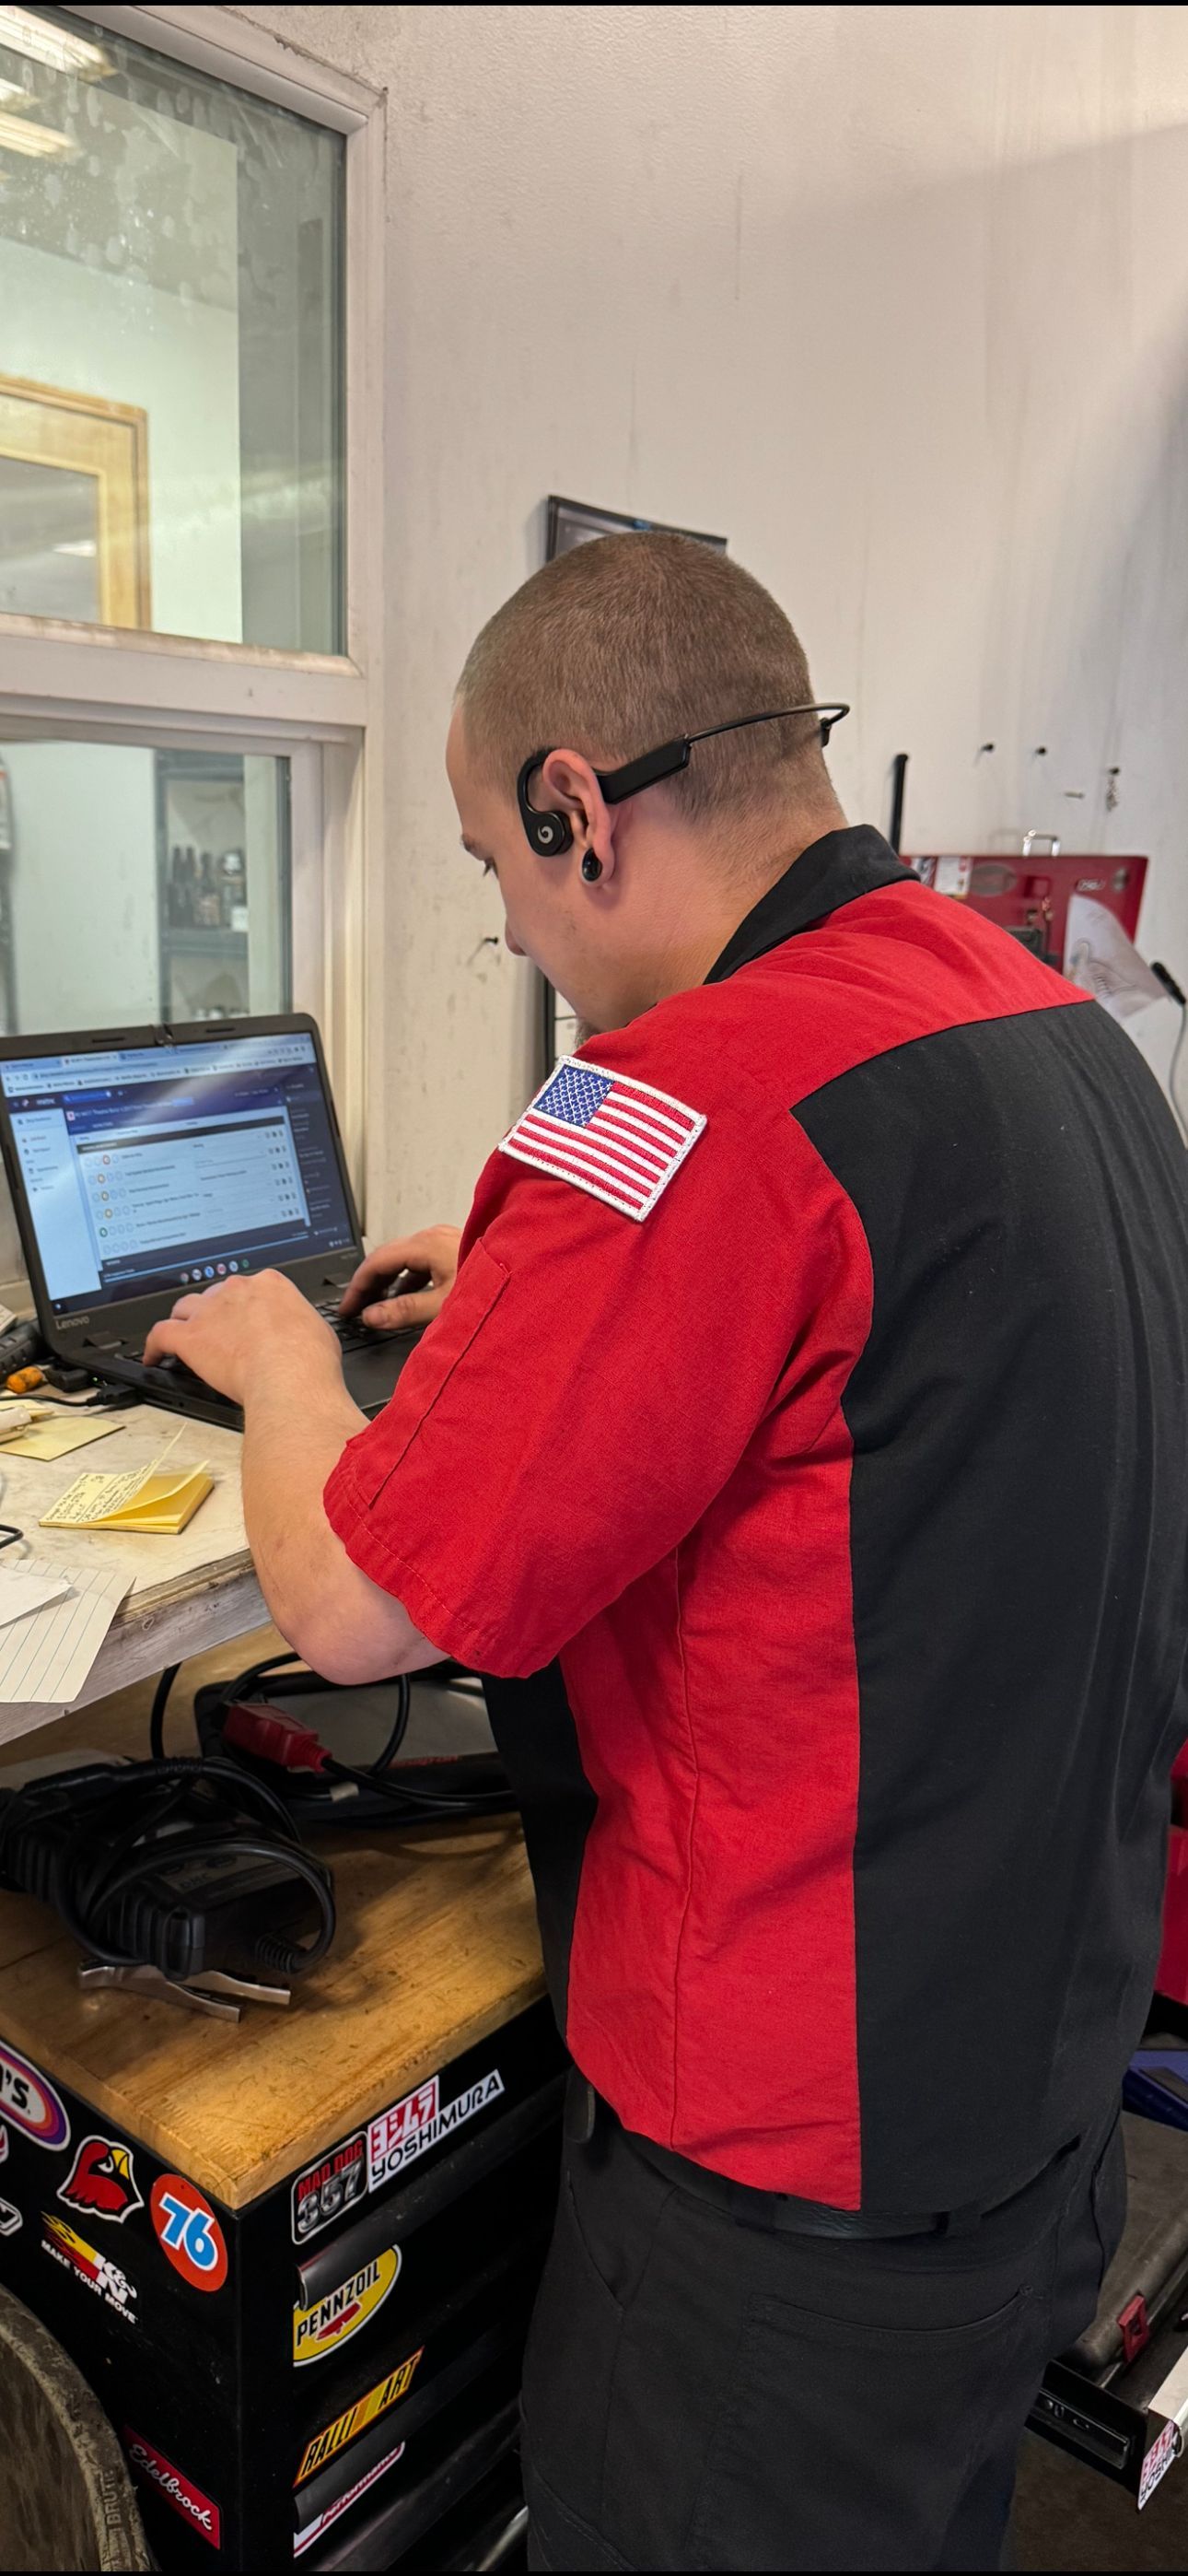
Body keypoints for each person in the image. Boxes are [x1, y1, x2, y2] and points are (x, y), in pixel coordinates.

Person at [145, 533, 1188, 2572]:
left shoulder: (675, 1103)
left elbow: (359, 1608)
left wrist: (282, 1358)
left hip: (787, 2217)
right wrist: (533, 1285)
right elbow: (886, 1378)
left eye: (491, 867)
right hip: (1032, 2104)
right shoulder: (1047, 1022)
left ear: (575, 806)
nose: (515, 927)